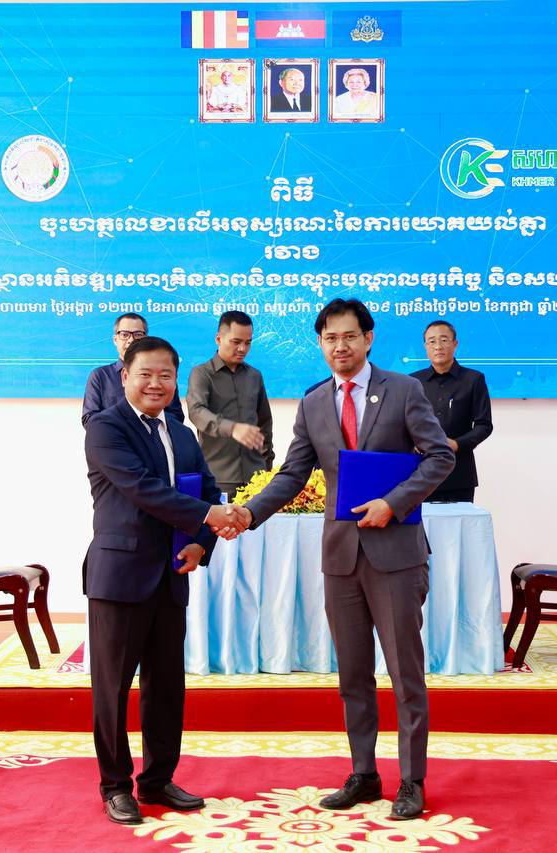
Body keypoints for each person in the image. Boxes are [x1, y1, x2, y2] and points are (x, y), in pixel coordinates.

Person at [227, 299, 454, 820]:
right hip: (341, 558)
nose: (340, 347)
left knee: (405, 673)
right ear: (321, 343)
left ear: (368, 338)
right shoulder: (313, 404)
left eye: (349, 336)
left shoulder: (404, 390)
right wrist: (249, 512)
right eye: (330, 338)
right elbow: (292, 474)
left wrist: (393, 502)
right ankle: (364, 774)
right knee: (352, 675)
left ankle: (412, 780)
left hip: (395, 555)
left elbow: (440, 455)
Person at [83, 336, 241, 826]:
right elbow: (143, 489)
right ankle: (115, 786)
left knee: (166, 686)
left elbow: (207, 488)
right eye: (145, 374)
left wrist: (202, 542)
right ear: (124, 376)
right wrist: (211, 516)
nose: (156, 384)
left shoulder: (183, 434)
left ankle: (157, 780)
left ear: (176, 381)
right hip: (120, 576)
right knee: (112, 689)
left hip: (171, 575)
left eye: (166, 376)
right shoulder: (106, 428)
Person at [186, 311, 275, 499]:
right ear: (219, 339)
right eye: (236, 342)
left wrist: (267, 466)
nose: (242, 348)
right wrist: (232, 428)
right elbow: (196, 411)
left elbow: (264, 422)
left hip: (255, 477)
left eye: (248, 343)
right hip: (218, 477)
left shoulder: (254, 376)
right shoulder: (202, 374)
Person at [410, 321, 494, 503]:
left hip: (459, 474)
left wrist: (456, 444)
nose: (438, 346)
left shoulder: (473, 380)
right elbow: (403, 423)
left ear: (455, 344)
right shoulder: (413, 382)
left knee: (459, 521)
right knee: (420, 522)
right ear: (425, 347)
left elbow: (484, 425)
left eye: (444, 340)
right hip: (420, 473)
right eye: (432, 341)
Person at [83, 313, 184, 427]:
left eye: (138, 334)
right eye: (124, 334)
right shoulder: (100, 375)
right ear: (115, 339)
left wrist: (150, 427)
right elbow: (89, 418)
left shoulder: (162, 375)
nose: (131, 340)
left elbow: (176, 416)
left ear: (145, 339)